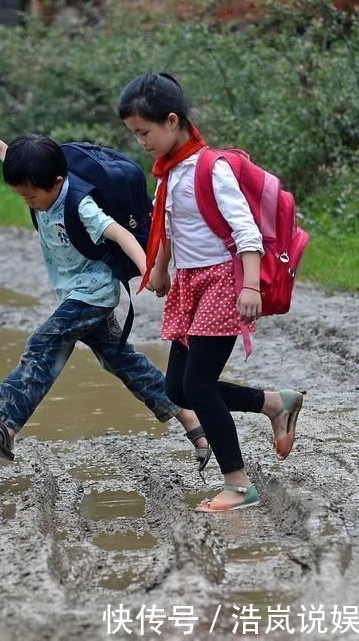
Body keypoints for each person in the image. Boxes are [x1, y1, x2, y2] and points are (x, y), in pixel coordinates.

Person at [0, 103, 211, 471]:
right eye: (22, 196)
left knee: (44, 342)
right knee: (121, 360)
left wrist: (149, 270)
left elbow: (120, 234)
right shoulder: (37, 176)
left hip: (93, 293)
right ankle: (192, 421)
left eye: (31, 197)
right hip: (74, 291)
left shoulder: (79, 203)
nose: (29, 204)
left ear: (56, 182)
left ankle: (7, 426)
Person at [117, 72, 305, 513]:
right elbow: (170, 230)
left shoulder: (212, 167)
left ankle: (239, 486)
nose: (141, 142)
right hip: (190, 284)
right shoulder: (168, 174)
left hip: (223, 283)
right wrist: (161, 271)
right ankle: (275, 404)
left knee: (198, 385)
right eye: (134, 135)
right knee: (177, 389)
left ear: (171, 120)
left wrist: (252, 284)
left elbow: (246, 230)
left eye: (144, 132)